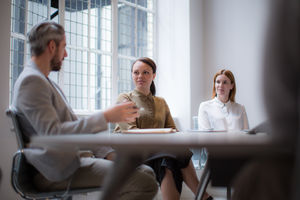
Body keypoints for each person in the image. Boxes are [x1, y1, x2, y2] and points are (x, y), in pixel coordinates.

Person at [12, 21, 158, 200]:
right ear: (51, 46)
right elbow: (53, 134)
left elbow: (74, 127)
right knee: (145, 183)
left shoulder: (46, 82)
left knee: (146, 171)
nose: (65, 54)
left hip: (70, 162)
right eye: (63, 47)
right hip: (54, 172)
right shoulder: (32, 82)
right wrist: (105, 116)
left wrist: (108, 154)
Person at [114, 57, 213, 200]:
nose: (140, 76)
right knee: (171, 153)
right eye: (136, 72)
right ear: (132, 75)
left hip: (160, 153)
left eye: (145, 73)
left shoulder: (161, 102)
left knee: (170, 156)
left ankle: (202, 195)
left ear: (154, 76)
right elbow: (130, 133)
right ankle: (203, 195)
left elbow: (173, 130)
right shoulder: (124, 98)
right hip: (135, 153)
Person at [232, 0, 299, 199]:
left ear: (232, 85)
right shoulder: (205, 107)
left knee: (255, 179)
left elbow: (280, 103)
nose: (221, 86)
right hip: (221, 153)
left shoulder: (239, 107)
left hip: (271, 147)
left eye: (225, 82)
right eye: (218, 82)